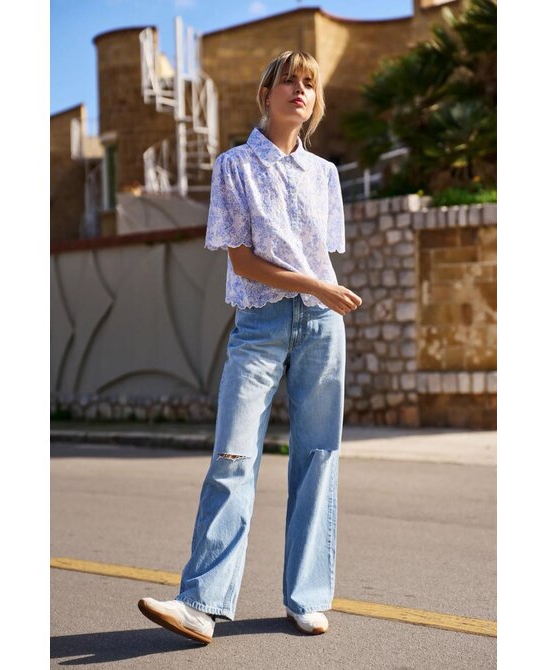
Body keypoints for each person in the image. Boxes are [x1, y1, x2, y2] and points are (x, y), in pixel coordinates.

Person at [138, 50, 362, 645]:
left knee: (317, 457)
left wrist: (319, 293)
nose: (299, 90)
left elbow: (320, 251)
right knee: (234, 455)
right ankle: (201, 604)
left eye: (309, 84)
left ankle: (307, 598)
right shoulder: (234, 166)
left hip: (322, 326)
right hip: (260, 325)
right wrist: (316, 285)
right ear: (266, 94)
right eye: (289, 81)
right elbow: (243, 261)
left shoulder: (325, 174)